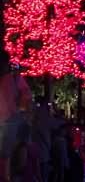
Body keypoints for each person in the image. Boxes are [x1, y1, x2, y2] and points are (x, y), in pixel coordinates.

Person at [0, 50, 33, 182]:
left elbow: (26, 96)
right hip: (8, 122)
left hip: (11, 121)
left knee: (7, 154)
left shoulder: (14, 78)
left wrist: (21, 110)